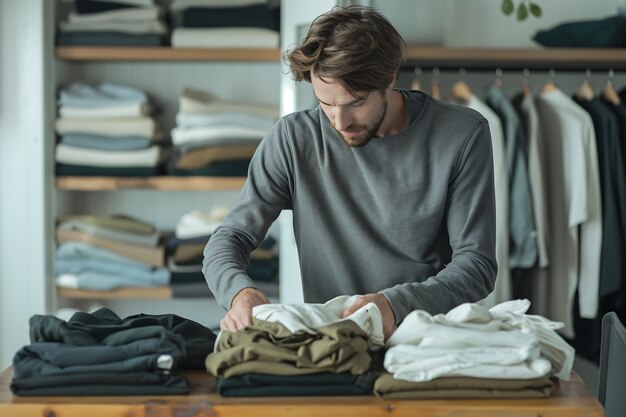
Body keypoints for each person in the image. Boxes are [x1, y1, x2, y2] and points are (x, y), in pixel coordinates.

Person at [203, 6, 497, 339]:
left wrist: (392, 304)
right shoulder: (292, 139)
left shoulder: (462, 133)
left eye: (355, 102)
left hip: (429, 340)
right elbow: (229, 239)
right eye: (325, 103)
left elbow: (477, 266)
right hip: (332, 345)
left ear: (390, 78)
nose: (339, 123)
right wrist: (239, 293)